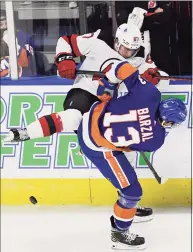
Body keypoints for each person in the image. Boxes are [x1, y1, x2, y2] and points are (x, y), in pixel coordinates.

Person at [3, 20, 167, 221]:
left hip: (108, 109)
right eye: (124, 48)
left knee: (127, 157)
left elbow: (155, 75)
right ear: (117, 41)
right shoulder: (98, 43)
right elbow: (67, 41)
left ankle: (128, 201)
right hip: (84, 93)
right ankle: (26, 133)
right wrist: (65, 59)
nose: (127, 53)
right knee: (72, 118)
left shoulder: (139, 59)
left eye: (131, 50)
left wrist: (154, 76)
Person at [76, 61, 187, 249]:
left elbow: (123, 67)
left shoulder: (151, 94)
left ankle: (126, 209)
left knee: (118, 97)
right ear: (168, 123)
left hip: (90, 116)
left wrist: (108, 83)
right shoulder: (156, 141)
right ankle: (119, 232)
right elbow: (125, 147)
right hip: (95, 145)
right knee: (132, 192)